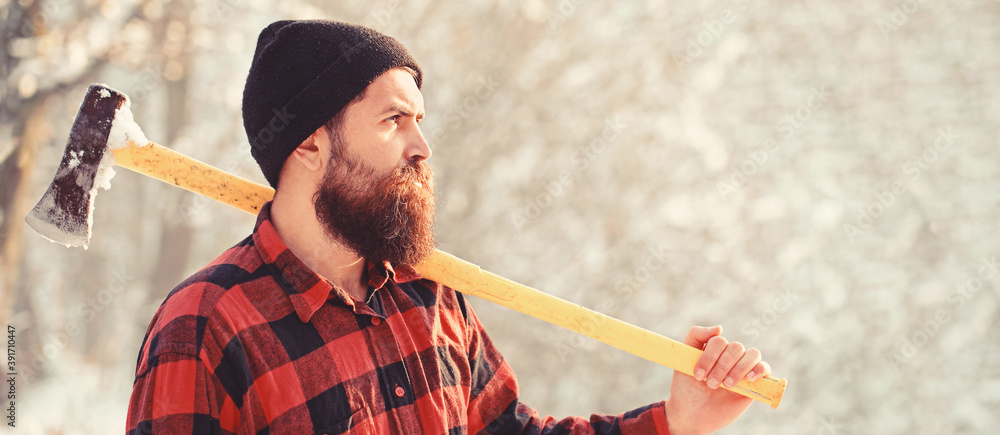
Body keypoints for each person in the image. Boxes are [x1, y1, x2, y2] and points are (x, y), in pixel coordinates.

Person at [126, 19, 772, 435]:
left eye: (419, 119)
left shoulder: (428, 296)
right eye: (392, 120)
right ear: (309, 144)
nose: (422, 147)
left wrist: (675, 422)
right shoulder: (207, 328)